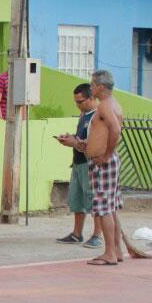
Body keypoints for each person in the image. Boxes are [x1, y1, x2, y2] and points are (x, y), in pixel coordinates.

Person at [85, 68, 127, 266]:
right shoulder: (112, 104)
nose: (91, 87)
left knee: (103, 207)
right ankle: (116, 250)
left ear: (100, 87)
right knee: (110, 207)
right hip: (103, 160)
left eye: (92, 84)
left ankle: (110, 252)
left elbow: (116, 130)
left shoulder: (105, 106)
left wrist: (107, 154)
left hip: (105, 161)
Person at [54, 84, 103, 248]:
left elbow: (93, 144)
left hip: (90, 164)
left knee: (93, 201)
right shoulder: (84, 115)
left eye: (80, 101)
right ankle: (77, 233)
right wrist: (71, 139)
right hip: (78, 162)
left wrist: (73, 143)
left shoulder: (98, 117)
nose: (78, 105)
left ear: (91, 98)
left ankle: (97, 235)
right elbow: (80, 138)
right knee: (76, 200)